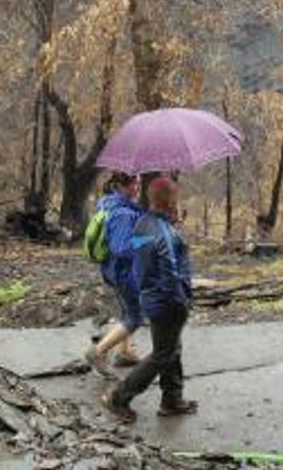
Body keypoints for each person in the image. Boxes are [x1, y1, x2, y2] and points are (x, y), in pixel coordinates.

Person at [102, 175, 198, 422]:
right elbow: (169, 271)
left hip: (151, 297)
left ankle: (171, 399)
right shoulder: (161, 231)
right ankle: (119, 397)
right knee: (163, 354)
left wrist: (172, 226)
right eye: (175, 198)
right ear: (169, 202)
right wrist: (182, 300)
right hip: (167, 302)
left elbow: (143, 250)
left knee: (171, 348)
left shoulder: (144, 223)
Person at [84, 172, 143, 377]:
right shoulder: (123, 214)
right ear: (122, 186)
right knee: (135, 317)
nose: (138, 187)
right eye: (135, 184)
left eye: (138, 183)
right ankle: (97, 352)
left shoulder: (109, 204)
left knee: (126, 312)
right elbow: (122, 248)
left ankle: (125, 353)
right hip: (123, 272)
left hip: (112, 270)